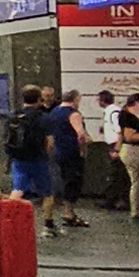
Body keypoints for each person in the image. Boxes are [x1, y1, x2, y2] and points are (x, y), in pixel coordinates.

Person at [7, 91, 58, 212]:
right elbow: (50, 142)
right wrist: (46, 154)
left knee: (17, 190)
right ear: (39, 99)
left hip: (18, 158)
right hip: (38, 158)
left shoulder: (14, 116)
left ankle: (10, 218)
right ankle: (48, 221)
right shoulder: (44, 117)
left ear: (23, 99)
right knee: (47, 193)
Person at [50, 91, 90, 230]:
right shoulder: (73, 114)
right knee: (73, 181)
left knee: (64, 179)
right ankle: (69, 212)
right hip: (72, 151)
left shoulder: (54, 112)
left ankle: (67, 210)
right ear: (75, 99)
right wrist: (84, 147)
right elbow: (80, 134)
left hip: (58, 150)